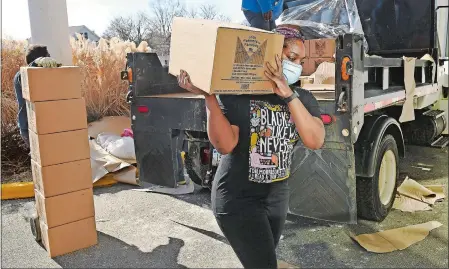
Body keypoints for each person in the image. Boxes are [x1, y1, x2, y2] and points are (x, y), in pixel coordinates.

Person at [177, 25, 325, 269]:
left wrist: (288, 95)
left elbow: (315, 139)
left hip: (277, 197)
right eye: (291, 58)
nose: (297, 65)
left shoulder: (303, 99)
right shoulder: (238, 93)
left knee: (260, 260)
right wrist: (209, 98)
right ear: (274, 57)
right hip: (237, 199)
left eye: (301, 60)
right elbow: (225, 145)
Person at [13, 45, 52, 146]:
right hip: (29, 128)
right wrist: (36, 62)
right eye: (48, 56)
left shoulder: (39, 75)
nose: (50, 57)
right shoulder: (22, 75)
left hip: (40, 127)